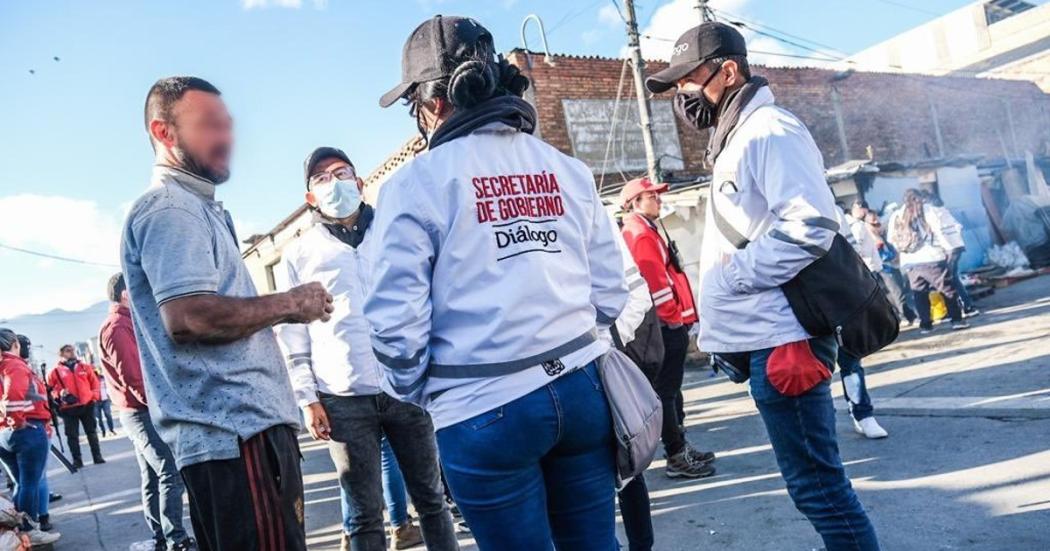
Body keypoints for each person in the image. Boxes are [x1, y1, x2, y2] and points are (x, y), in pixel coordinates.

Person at [368, 15, 628, 550]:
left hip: (483, 407)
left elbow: (396, 330)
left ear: (433, 103)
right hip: (582, 388)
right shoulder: (565, 169)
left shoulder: (413, 185)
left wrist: (426, 392)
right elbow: (611, 291)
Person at [647, 21, 880, 550]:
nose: (684, 94)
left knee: (819, 489)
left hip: (786, 345)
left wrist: (734, 276)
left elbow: (810, 228)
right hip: (769, 341)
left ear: (728, 71)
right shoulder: (737, 137)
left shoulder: (769, 130)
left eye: (690, 79)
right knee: (814, 488)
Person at [121, 76, 334, 551]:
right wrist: (290, 303)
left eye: (228, 125)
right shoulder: (170, 209)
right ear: (164, 132)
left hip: (246, 435)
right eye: (209, 125)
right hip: (235, 437)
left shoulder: (199, 207)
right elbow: (190, 317)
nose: (226, 138)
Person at [274, 146, 456, 551]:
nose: (333, 183)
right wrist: (308, 398)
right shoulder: (300, 252)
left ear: (359, 183)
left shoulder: (395, 231)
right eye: (321, 179)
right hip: (342, 397)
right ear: (310, 198)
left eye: (341, 173)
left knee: (431, 499)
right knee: (363, 514)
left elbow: (428, 294)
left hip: (406, 385)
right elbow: (294, 333)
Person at [620, 177, 717, 479]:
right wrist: (673, 316)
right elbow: (655, 282)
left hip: (668, 323)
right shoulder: (640, 234)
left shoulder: (646, 230)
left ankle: (680, 447)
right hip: (664, 325)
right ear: (636, 202)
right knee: (666, 392)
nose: (659, 201)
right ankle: (676, 454)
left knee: (671, 391)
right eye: (652, 196)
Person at [98, 273, 196, 551]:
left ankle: (162, 538)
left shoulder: (124, 322)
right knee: (169, 473)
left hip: (137, 411)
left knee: (153, 477)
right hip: (141, 412)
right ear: (125, 294)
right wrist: (161, 405)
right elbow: (134, 376)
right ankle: (176, 539)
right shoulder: (118, 326)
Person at [0, 329, 62, 546]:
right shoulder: (13, 364)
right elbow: (13, 394)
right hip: (25, 429)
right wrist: (16, 420)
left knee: (21, 484)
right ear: (14, 344)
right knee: (29, 483)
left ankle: (18, 531)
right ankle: (29, 529)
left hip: (4, 433)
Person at [836, 206, 889, 440]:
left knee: (850, 360)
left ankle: (862, 413)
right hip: (794, 306)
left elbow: (852, 255)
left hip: (836, 297)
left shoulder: (833, 211)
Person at [887, 189, 969, 334]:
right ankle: (956, 320)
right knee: (947, 290)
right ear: (920, 198)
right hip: (932, 258)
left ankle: (926, 325)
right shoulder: (928, 210)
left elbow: (890, 238)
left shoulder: (896, 215)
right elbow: (939, 231)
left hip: (910, 262)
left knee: (919, 294)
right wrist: (948, 249)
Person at [922, 191, 979, 316]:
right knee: (953, 278)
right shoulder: (943, 211)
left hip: (948, 249)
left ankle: (965, 307)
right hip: (956, 247)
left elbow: (933, 232)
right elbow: (958, 227)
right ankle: (966, 306)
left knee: (950, 279)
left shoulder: (930, 212)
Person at [47, 344, 104, 468]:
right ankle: (77, 460)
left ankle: (97, 456)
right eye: (68, 351)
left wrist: (93, 396)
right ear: (61, 354)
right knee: (72, 436)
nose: (72, 353)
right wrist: (59, 394)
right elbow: (50, 390)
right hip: (68, 408)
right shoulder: (54, 372)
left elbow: (94, 383)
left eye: (72, 350)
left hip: (86, 405)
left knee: (92, 432)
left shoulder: (85, 367)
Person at [865, 211, 918, 325]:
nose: (878, 225)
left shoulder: (882, 234)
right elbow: (878, 255)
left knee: (896, 292)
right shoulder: (870, 237)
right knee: (897, 293)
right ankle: (908, 317)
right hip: (885, 268)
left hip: (893, 265)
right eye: (874, 224)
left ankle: (901, 316)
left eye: (878, 223)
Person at [94, 371, 115, 437]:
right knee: (98, 418)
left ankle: (111, 430)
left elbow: (108, 387)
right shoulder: (88, 380)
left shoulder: (102, 378)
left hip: (105, 399)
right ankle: (103, 431)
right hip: (95, 401)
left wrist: (110, 395)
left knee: (108, 414)